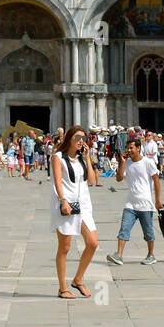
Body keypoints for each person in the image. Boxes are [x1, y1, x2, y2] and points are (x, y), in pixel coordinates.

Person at [51, 126, 98, 299]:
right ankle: (63, 288)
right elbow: (57, 182)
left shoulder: (81, 159)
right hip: (66, 206)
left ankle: (78, 279)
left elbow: (92, 181)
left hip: (84, 206)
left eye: (84, 138)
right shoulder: (58, 158)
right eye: (78, 137)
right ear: (69, 138)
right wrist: (63, 201)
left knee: (92, 243)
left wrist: (87, 159)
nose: (81, 141)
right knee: (65, 247)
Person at [107, 137, 164, 266]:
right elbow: (119, 179)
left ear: (138, 148)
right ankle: (119, 255)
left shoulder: (147, 162)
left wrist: (158, 200)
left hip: (145, 203)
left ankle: (151, 255)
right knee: (124, 229)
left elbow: (156, 180)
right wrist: (122, 162)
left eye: (131, 148)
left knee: (148, 232)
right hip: (130, 203)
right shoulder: (127, 163)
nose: (129, 150)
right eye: (127, 148)